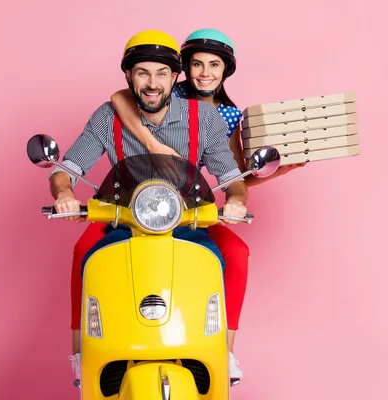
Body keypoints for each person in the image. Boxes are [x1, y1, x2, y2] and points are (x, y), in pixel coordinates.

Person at [49, 29, 250, 387]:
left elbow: (232, 177)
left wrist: (235, 199)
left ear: (176, 77)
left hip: (187, 217)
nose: (152, 83)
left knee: (220, 258)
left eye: (161, 74)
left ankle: (217, 348)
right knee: (88, 256)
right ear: (129, 77)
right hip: (122, 218)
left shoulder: (205, 118)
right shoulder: (107, 116)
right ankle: (85, 351)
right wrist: (64, 191)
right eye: (142, 73)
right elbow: (66, 170)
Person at [108, 28, 306, 380]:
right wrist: (153, 143)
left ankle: (224, 350)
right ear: (182, 68)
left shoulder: (228, 117)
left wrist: (275, 173)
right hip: (139, 201)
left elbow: (232, 178)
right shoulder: (164, 90)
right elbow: (118, 99)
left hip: (191, 205)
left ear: (226, 70)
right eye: (196, 64)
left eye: (214, 65)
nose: (204, 73)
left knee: (236, 254)